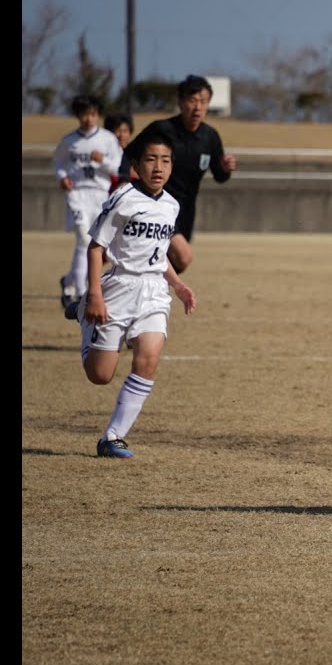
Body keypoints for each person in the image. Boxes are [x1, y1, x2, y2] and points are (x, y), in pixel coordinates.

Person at [78, 133, 197, 458]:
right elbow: (95, 248)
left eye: (166, 160)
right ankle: (82, 314)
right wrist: (95, 296)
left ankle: (113, 436)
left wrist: (178, 285)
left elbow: (158, 257)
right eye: (151, 159)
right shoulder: (123, 198)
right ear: (136, 165)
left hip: (153, 293)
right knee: (101, 375)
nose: (158, 167)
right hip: (117, 288)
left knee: (148, 358)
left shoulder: (171, 205)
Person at [118, 74, 236, 274]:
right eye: (192, 101)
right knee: (183, 256)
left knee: (170, 260)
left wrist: (225, 169)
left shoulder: (210, 137)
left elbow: (219, 176)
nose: (198, 107)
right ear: (181, 102)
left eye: (203, 101)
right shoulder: (162, 129)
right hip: (155, 205)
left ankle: (139, 290)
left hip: (185, 211)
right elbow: (129, 154)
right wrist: (124, 179)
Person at [54, 94, 124, 313]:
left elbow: (117, 166)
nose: (88, 119)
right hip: (77, 194)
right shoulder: (69, 141)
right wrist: (62, 177)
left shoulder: (107, 139)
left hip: (100, 195)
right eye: (84, 114)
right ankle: (83, 291)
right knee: (84, 239)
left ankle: (69, 283)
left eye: (92, 114)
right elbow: (59, 162)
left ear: (98, 115)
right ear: (78, 116)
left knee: (97, 243)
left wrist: (102, 160)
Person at [104, 112, 137, 193]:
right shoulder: (104, 153)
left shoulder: (137, 152)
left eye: (125, 131)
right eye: (118, 131)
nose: (121, 135)